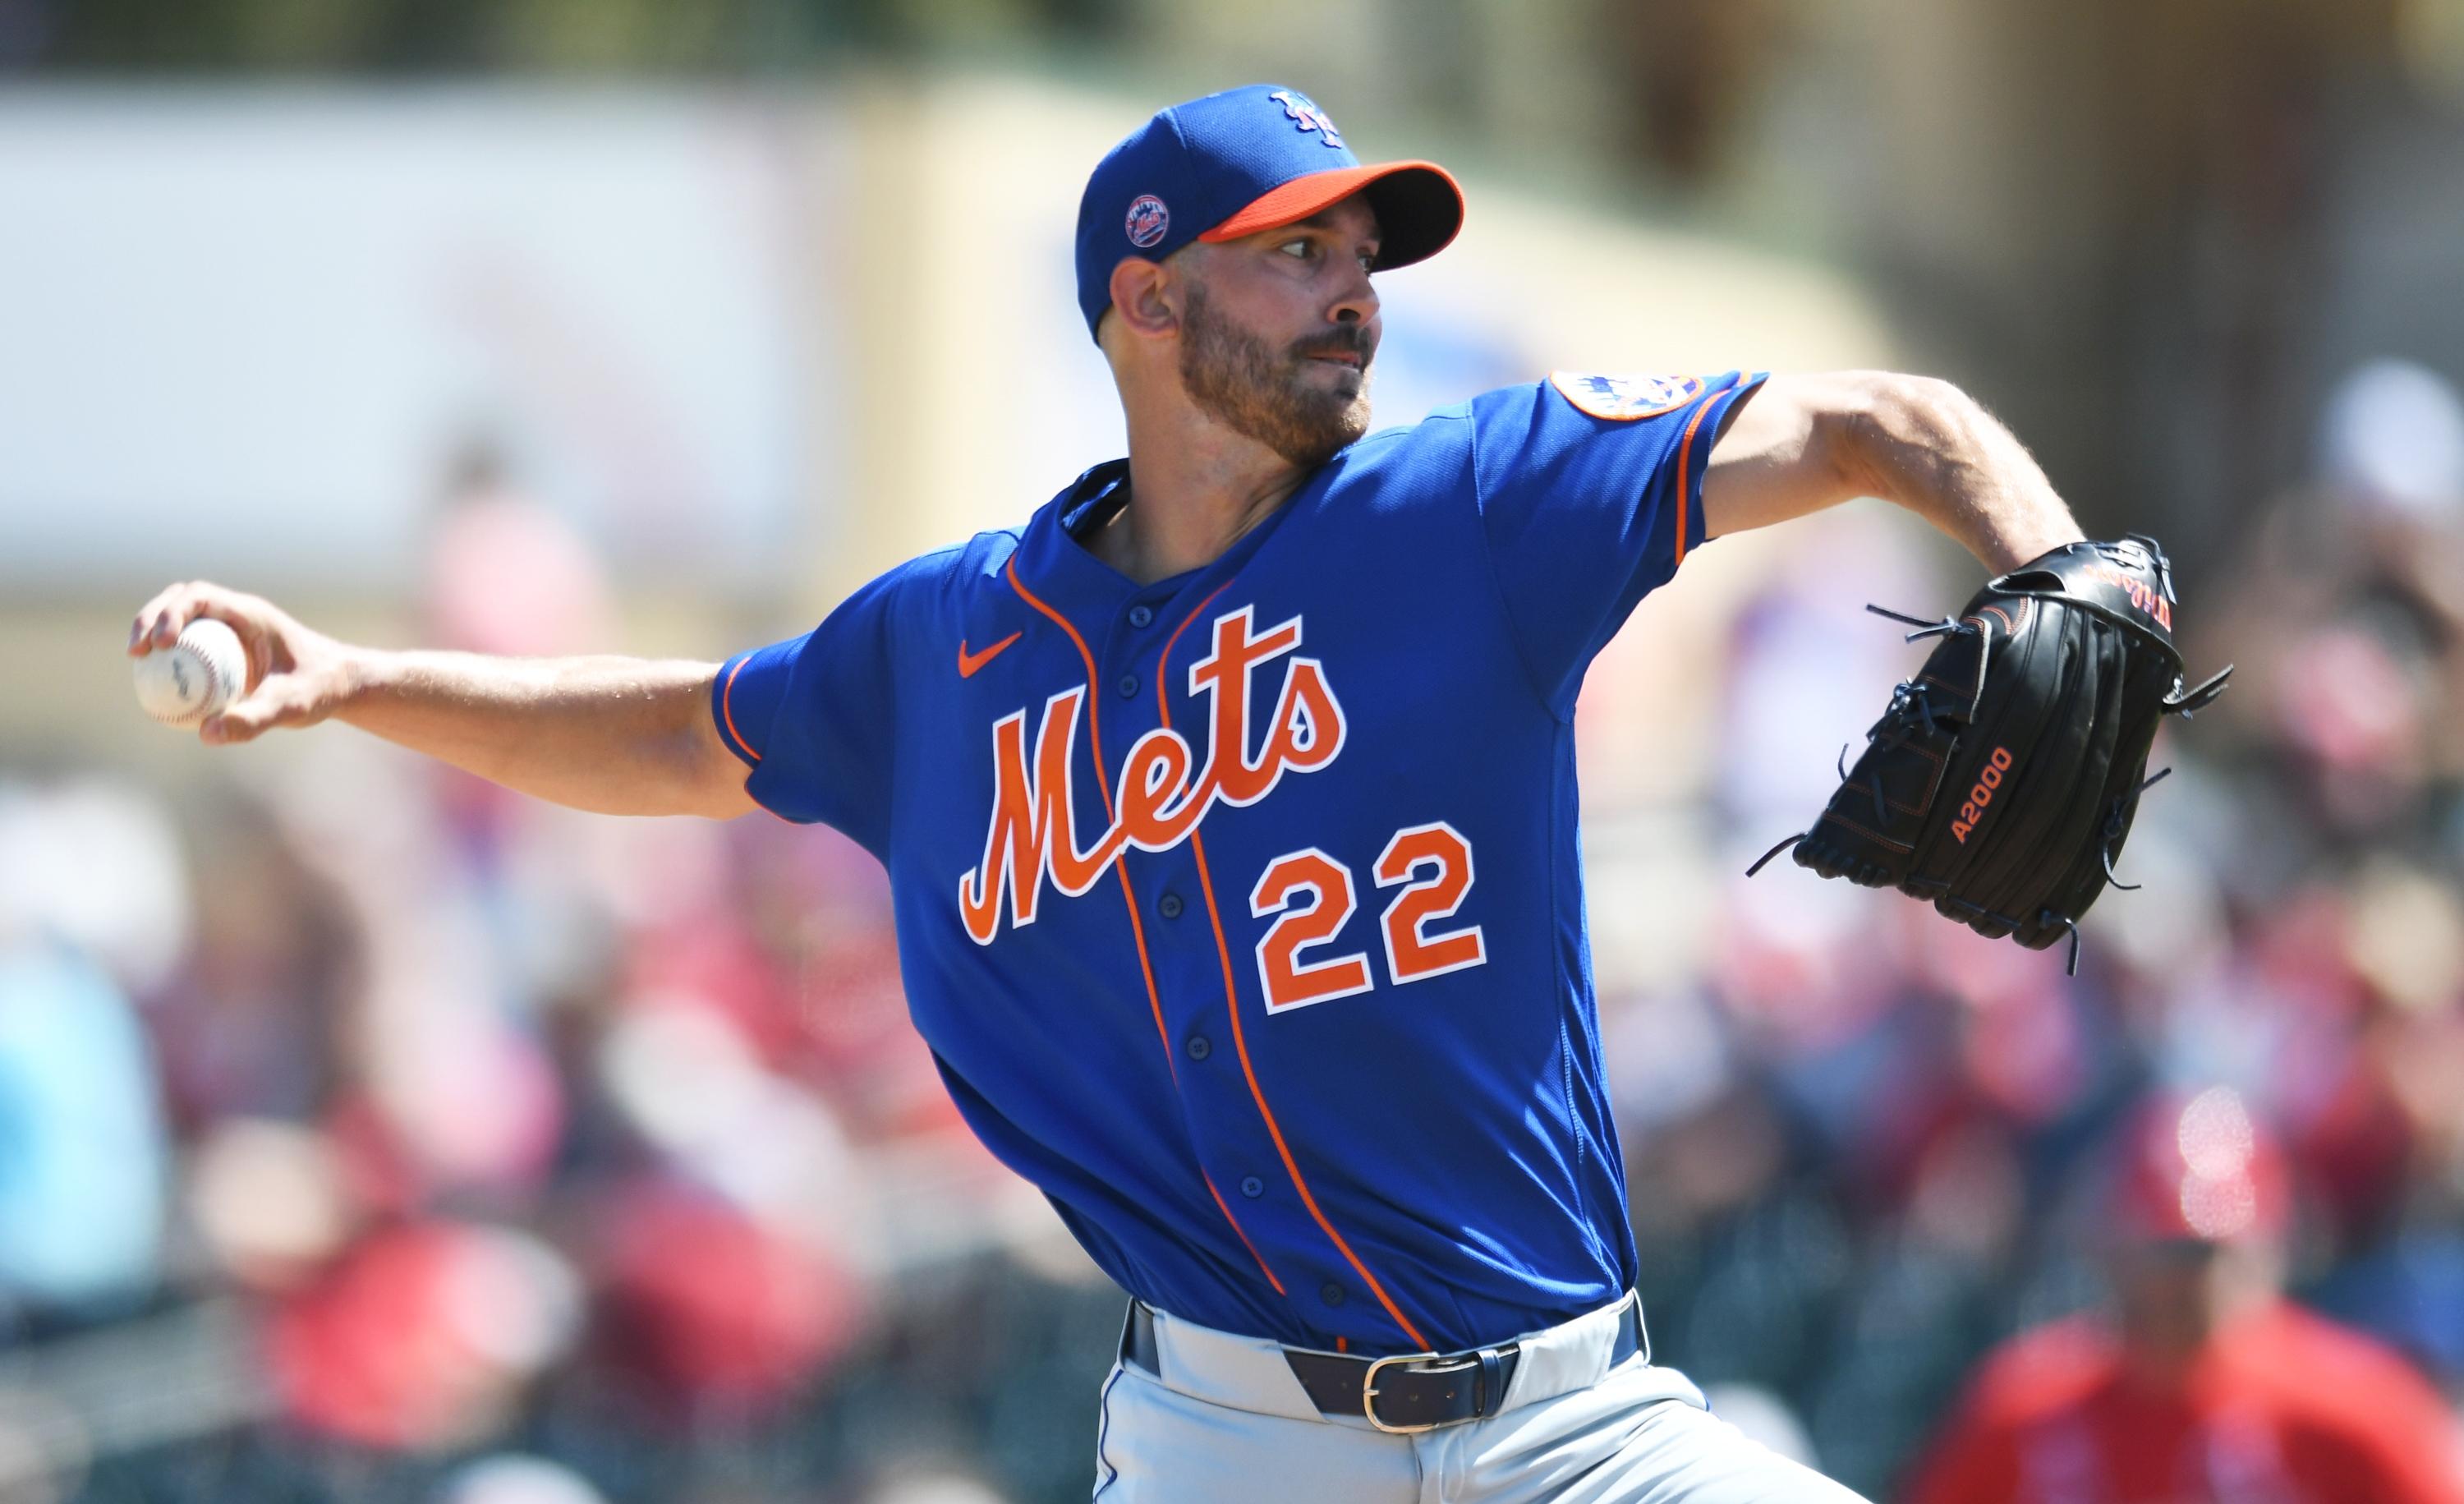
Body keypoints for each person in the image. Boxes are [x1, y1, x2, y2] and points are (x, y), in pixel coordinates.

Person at [131, 84, 2086, 1502]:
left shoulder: (1470, 504)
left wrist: (2056, 565)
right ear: (1145, 302)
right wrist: (358, 680)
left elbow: (1864, 423)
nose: (1351, 292)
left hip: (1570, 1422)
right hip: (1220, 1443)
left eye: (1359, 254)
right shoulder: (947, 646)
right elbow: (674, 731)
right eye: (1292, 250)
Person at [1905, 1088, 2464, 1504]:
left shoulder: (2358, 1409)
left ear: (2265, 1252)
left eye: (2202, 1255)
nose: (2174, 1283)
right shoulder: (2026, 1407)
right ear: (2110, 1248)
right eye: (2159, 1252)